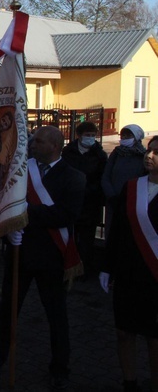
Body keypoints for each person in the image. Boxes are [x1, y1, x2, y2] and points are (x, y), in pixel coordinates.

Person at [0, 126, 85, 389]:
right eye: (33, 141)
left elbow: (65, 215)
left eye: (40, 142)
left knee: (56, 315)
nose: (33, 145)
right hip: (20, 251)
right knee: (7, 310)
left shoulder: (74, 178)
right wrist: (11, 225)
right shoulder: (21, 170)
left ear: (56, 145)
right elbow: (6, 200)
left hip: (52, 257)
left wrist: (25, 213)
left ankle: (60, 368)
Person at [100, 135, 158, 392]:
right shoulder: (132, 187)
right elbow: (118, 231)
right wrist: (107, 266)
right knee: (124, 332)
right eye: (149, 151)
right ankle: (130, 382)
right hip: (129, 274)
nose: (149, 156)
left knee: (154, 339)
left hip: (155, 278)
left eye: (156, 153)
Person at [61, 121, 107, 275]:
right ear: (79, 136)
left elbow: (102, 177)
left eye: (93, 135)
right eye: (87, 135)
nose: (90, 138)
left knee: (87, 239)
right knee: (71, 236)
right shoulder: (68, 152)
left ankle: (84, 269)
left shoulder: (99, 154)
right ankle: (69, 267)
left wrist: (91, 190)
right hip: (71, 200)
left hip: (90, 202)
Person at [103, 125, 147, 236]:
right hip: (114, 201)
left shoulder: (143, 156)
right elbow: (106, 176)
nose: (125, 138)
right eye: (123, 135)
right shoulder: (116, 153)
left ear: (136, 137)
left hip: (133, 202)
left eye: (129, 135)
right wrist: (111, 195)